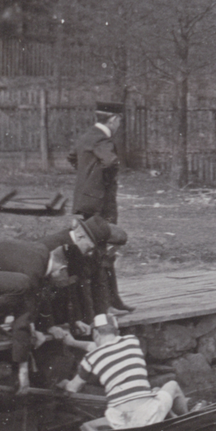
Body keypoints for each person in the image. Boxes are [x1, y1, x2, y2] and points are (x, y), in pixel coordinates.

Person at [0, 215, 127, 390]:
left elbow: (34, 301)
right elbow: (25, 314)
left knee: (20, 288)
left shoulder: (47, 259)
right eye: (91, 246)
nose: (91, 252)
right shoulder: (40, 262)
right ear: (62, 269)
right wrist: (22, 369)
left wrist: (49, 325)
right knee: (20, 286)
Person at [57, 313, 190, 431]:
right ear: (117, 332)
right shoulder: (132, 341)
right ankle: (187, 419)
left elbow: (72, 388)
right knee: (172, 385)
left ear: (95, 334)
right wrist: (73, 342)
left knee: (87, 427)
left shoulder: (90, 358)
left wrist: (64, 384)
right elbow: (101, 347)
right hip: (148, 414)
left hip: (119, 420)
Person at [68, 102, 130, 312]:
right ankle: (106, 304)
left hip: (84, 203)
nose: (119, 125)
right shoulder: (104, 140)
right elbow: (111, 163)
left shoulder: (86, 136)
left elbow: (71, 156)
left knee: (94, 252)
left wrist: (88, 179)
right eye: (119, 121)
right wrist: (102, 184)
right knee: (104, 252)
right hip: (101, 205)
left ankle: (110, 300)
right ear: (113, 120)